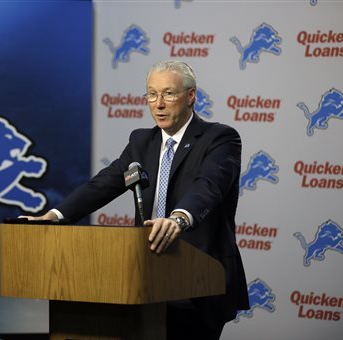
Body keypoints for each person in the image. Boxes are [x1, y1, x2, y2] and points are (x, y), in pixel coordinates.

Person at [23, 60, 250, 339]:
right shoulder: (141, 141)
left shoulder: (220, 138)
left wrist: (178, 219)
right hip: (145, 279)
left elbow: (209, 186)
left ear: (191, 96)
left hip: (200, 281)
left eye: (168, 94)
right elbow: (104, 184)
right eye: (152, 94)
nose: (159, 104)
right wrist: (55, 216)